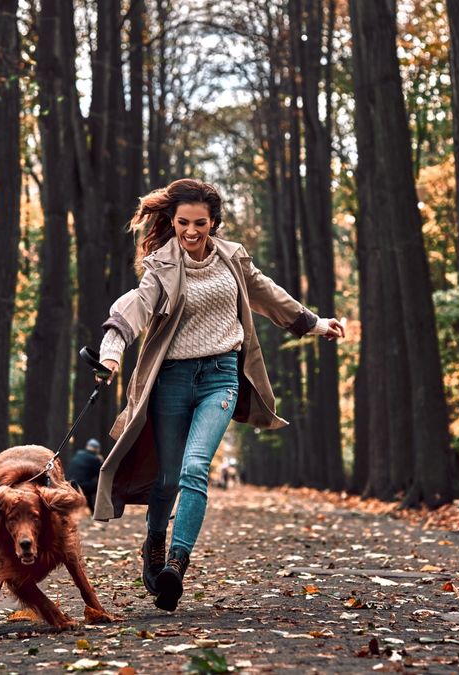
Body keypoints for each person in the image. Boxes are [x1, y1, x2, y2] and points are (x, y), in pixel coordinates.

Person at [92, 178, 345, 612]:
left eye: (200, 223)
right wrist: (112, 351)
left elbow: (268, 295)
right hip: (171, 380)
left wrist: (315, 323)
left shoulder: (232, 259)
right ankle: (155, 542)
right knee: (168, 478)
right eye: (183, 223)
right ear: (171, 222)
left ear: (214, 222)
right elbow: (134, 306)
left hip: (221, 376)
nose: (191, 232)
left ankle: (176, 563)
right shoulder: (160, 267)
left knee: (194, 468)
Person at [66, 438, 103, 512]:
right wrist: (101, 461)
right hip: (83, 486)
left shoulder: (78, 455)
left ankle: (91, 509)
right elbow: (101, 474)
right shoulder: (94, 459)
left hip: (70, 484)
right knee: (101, 483)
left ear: (87, 446)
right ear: (97, 449)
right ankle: (99, 509)